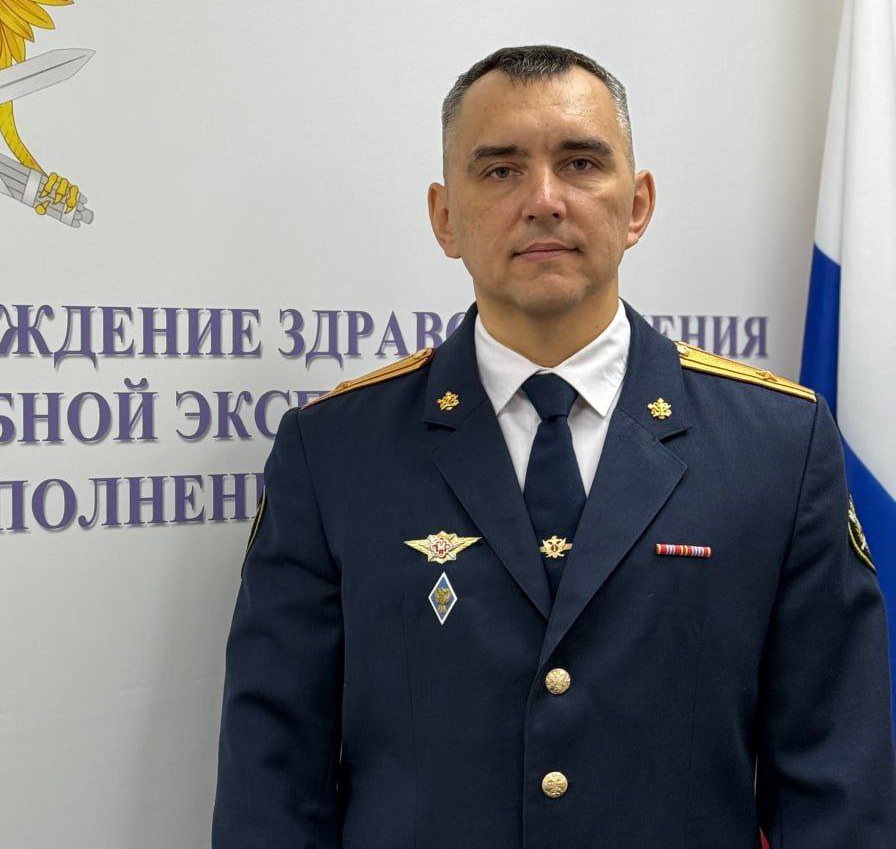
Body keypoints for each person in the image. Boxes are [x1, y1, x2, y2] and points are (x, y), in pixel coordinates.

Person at [211, 44, 896, 847]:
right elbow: (272, 784)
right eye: (500, 170)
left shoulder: (778, 446)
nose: (543, 200)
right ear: (445, 217)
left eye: (580, 163)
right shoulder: (334, 453)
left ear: (637, 205)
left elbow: (836, 785)